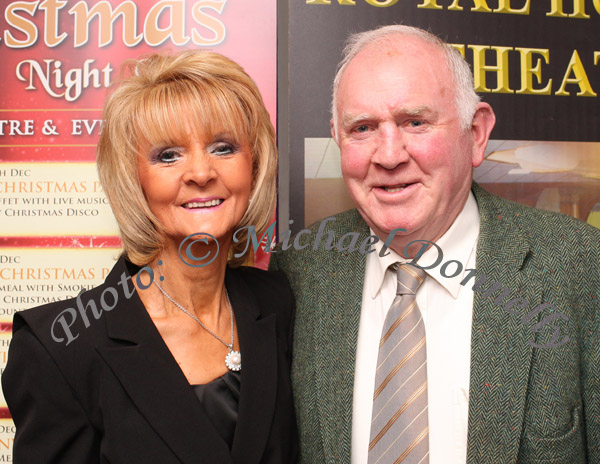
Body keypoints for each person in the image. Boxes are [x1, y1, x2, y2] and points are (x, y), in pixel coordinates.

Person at [270, 25, 600, 464]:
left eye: (415, 122)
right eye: (363, 128)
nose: (389, 155)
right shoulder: (300, 271)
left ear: (477, 133)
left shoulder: (578, 265)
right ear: (337, 136)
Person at [3, 51, 298, 464]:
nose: (200, 172)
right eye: (168, 155)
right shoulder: (59, 344)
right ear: (132, 177)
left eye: (223, 147)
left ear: (255, 164)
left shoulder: (279, 303)